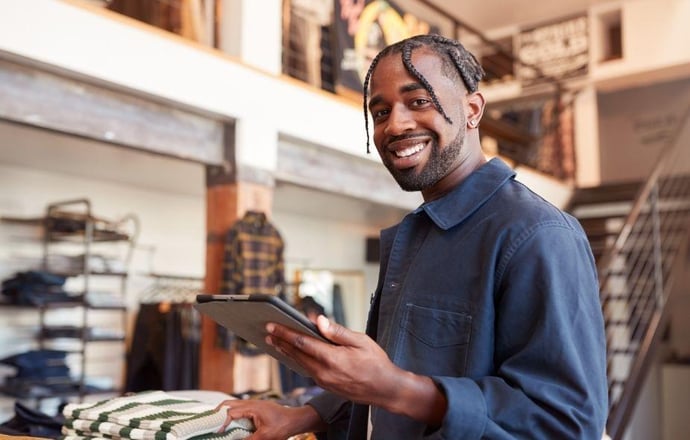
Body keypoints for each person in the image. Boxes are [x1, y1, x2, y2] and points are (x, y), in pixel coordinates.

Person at [216, 34, 608, 439]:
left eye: (418, 101)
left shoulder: (538, 236)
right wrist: (305, 414)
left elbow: (568, 424)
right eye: (381, 111)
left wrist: (395, 388)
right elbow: (388, 375)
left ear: (472, 110)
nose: (395, 125)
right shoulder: (415, 233)